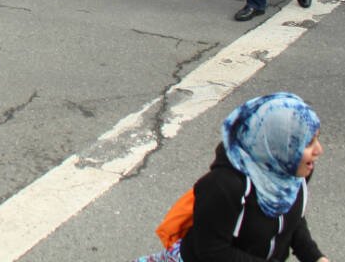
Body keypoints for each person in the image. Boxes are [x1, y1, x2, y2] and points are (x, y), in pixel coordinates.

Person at [137, 92, 328, 262]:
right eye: (308, 144)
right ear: (278, 146)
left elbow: (291, 220)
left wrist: (314, 256)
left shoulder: (292, 175)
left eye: (316, 139)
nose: (319, 150)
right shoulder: (223, 187)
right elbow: (212, 253)